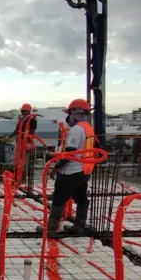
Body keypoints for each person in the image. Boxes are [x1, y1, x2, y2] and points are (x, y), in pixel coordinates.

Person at [40, 98, 96, 235]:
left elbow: (70, 152)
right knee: (82, 199)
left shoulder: (76, 130)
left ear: (77, 113)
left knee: (59, 199)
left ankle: (51, 229)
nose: (68, 117)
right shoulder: (88, 128)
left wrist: (55, 168)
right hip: (83, 170)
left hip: (70, 172)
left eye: (70, 113)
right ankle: (79, 227)